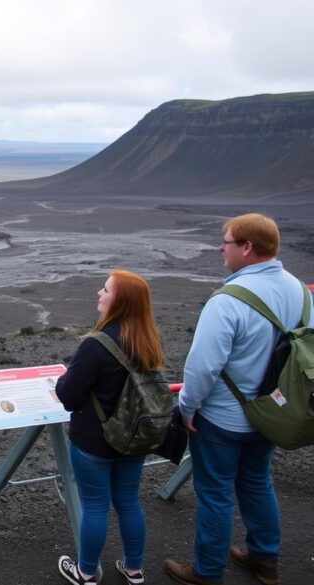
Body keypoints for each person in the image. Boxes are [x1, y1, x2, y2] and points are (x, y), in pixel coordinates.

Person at [165, 213, 311, 585]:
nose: (220, 248)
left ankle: (208, 571)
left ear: (247, 248)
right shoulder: (301, 292)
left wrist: (186, 408)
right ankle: (265, 559)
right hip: (273, 414)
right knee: (258, 481)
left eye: (226, 242)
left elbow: (202, 367)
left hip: (222, 419)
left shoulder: (227, 300)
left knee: (215, 493)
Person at [55, 270, 165, 585]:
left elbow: (67, 395)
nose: (98, 293)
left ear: (119, 301)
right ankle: (134, 570)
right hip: (136, 439)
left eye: (105, 289)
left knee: (94, 506)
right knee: (129, 501)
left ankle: (86, 572)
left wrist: (64, 379)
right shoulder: (149, 341)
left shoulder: (96, 345)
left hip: (94, 443)